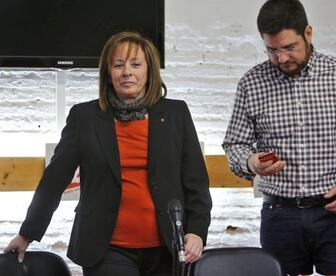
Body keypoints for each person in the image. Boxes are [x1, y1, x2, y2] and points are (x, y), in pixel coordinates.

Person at [4, 31, 212, 276]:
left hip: (168, 248)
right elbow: (54, 180)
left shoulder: (176, 113)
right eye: (118, 65)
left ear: (149, 71)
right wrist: (27, 233)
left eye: (136, 64)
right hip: (106, 249)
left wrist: (197, 231)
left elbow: (196, 181)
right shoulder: (85, 117)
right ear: (108, 73)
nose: (127, 72)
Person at [222, 0, 336, 275]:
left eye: (289, 47)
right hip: (278, 216)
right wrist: (251, 162)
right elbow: (234, 144)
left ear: (308, 33)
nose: (282, 58)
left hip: (335, 214)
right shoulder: (251, 83)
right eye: (272, 50)